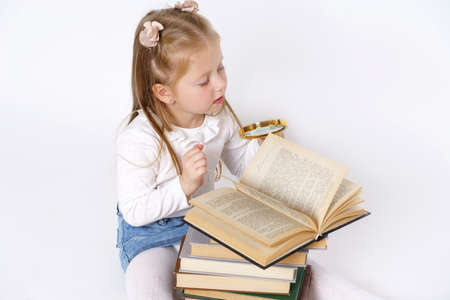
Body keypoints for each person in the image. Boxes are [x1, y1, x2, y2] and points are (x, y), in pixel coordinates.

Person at [115, 1, 278, 299]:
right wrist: (184, 185)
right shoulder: (139, 137)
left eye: (220, 68)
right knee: (147, 284)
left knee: (239, 280)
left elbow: (242, 163)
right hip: (149, 234)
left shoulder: (219, 116)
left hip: (203, 223)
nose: (220, 85)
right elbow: (135, 211)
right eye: (204, 80)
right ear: (165, 93)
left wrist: (263, 154)